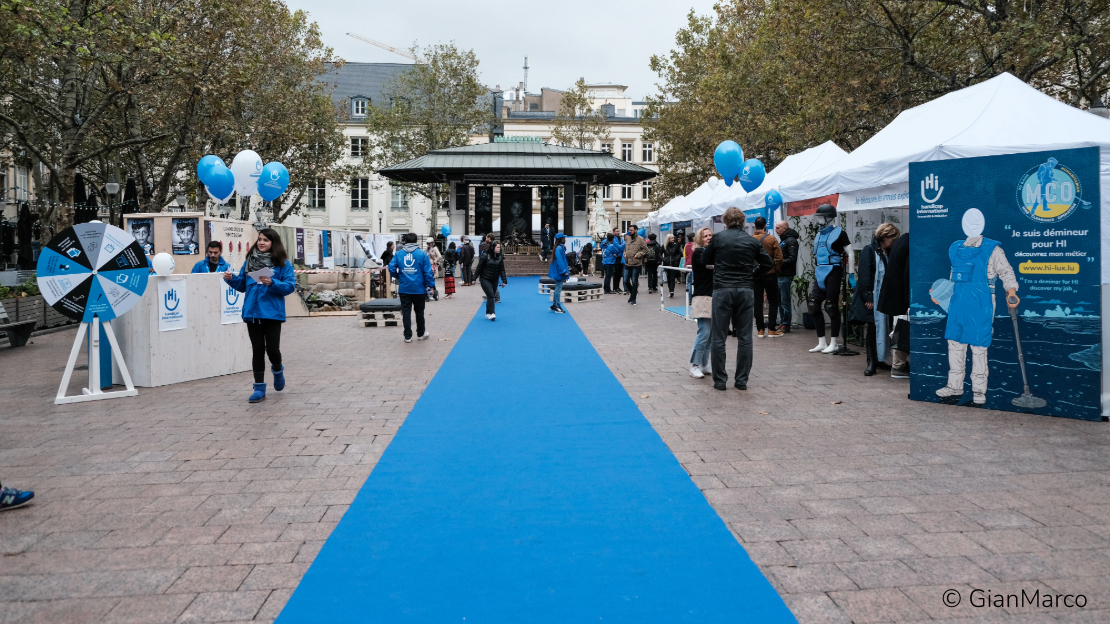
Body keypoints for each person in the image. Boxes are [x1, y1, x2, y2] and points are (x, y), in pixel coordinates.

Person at [931, 209, 1018, 405]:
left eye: (975, 221)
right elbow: (954, 279)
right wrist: (940, 296)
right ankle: (954, 387)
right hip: (958, 303)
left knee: (979, 347)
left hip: (982, 303)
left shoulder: (992, 249)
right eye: (968, 222)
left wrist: (1011, 291)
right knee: (954, 344)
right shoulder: (955, 248)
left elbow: (1006, 272)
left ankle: (979, 392)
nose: (971, 225)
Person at [702, 207, 774, 391]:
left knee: (719, 336)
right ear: (743, 221)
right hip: (745, 289)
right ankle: (741, 380)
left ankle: (720, 380)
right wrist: (752, 274)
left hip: (722, 289)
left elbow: (704, 259)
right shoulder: (751, 241)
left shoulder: (717, 239)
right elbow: (768, 263)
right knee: (744, 337)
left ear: (725, 221)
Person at [223, 228, 296, 403]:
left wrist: (272, 282)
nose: (261, 243)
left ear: (274, 243)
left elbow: (289, 286)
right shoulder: (250, 260)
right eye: (260, 239)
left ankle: (278, 370)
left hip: (272, 313)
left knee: (272, 349)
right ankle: (259, 388)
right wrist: (231, 279)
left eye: (266, 240)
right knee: (257, 350)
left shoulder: (282, 264)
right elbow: (242, 285)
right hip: (252, 312)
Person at [849, 223, 900, 376]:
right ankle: (871, 361)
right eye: (893, 238)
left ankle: (879, 359)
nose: (895, 241)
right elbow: (864, 275)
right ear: (885, 238)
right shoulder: (869, 250)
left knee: (885, 327)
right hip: (873, 296)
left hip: (884, 296)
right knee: (872, 328)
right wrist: (868, 297)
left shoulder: (888, 252)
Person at [809, 204, 852, 353]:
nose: (819, 219)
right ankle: (821, 341)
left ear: (829, 218)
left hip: (833, 271)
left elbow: (850, 253)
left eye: (821, 216)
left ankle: (834, 343)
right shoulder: (819, 234)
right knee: (813, 305)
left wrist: (851, 274)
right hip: (820, 269)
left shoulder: (840, 233)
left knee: (831, 306)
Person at [388, 232, 436, 342]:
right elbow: (428, 272)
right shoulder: (422, 254)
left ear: (405, 241)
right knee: (419, 312)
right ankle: (420, 334)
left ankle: (408, 336)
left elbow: (391, 267)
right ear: (416, 241)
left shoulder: (399, 254)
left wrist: (398, 276)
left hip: (404, 288)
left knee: (406, 312)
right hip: (419, 288)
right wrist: (431, 286)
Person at [878, 232, 911, 379]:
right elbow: (908, 273)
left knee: (900, 326)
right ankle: (898, 366)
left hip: (894, 293)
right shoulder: (911, 242)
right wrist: (910, 300)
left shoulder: (904, 238)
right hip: (901, 296)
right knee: (902, 328)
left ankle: (899, 365)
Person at [751, 217, 784, 338]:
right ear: (765, 225)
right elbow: (779, 258)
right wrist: (776, 270)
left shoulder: (750, 240)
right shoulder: (771, 239)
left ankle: (760, 329)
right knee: (773, 301)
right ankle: (771, 329)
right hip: (770, 273)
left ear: (755, 226)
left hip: (755, 275)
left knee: (757, 301)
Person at [688, 227, 714, 378]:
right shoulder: (699, 252)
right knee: (704, 332)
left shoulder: (710, 252)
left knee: (710, 334)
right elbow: (710, 266)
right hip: (702, 296)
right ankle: (695, 365)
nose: (709, 237)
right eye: (705, 236)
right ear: (699, 238)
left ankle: (704, 363)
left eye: (710, 235)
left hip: (712, 295)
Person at [775, 220, 800, 333]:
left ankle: (786, 323)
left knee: (784, 300)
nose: (776, 230)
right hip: (780, 274)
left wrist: (778, 262)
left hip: (785, 275)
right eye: (775, 228)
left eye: (778, 228)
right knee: (780, 300)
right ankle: (782, 323)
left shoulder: (791, 241)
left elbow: (792, 258)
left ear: (785, 228)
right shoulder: (784, 240)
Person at [476, 241, 508, 320]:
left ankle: (487, 313)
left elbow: (502, 270)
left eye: (500, 247)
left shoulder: (500, 257)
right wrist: (474, 278)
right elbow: (479, 268)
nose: (499, 249)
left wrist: (504, 280)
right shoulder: (485, 256)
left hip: (494, 279)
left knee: (490, 296)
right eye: (497, 247)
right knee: (491, 295)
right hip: (485, 278)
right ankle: (492, 313)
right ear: (493, 248)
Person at [623, 225, 647, 305]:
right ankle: (633, 293)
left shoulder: (640, 239)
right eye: (629, 230)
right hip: (628, 262)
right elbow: (626, 248)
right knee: (625, 281)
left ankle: (633, 298)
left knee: (634, 281)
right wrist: (625, 253)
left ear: (636, 230)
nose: (630, 231)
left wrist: (639, 255)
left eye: (631, 230)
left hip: (636, 263)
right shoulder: (628, 239)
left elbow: (645, 250)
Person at [548, 233, 569, 314]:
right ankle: (557, 306)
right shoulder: (559, 249)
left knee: (557, 288)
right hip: (560, 272)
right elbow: (559, 262)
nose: (565, 239)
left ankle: (554, 305)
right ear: (561, 239)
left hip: (558, 271)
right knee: (558, 289)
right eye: (564, 238)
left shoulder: (559, 248)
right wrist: (563, 272)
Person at [663, 233, 682, 297]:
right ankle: (670, 290)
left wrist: (676, 259)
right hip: (667, 264)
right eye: (672, 238)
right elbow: (659, 254)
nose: (673, 239)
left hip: (674, 264)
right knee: (669, 278)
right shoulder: (664, 246)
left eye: (673, 238)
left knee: (672, 278)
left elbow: (680, 253)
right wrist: (664, 259)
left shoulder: (676, 246)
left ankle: (672, 291)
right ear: (668, 239)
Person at [611, 227, 625, 293]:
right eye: (616, 231)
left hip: (621, 257)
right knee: (616, 273)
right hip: (616, 257)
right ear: (614, 232)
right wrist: (621, 247)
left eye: (618, 231)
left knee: (620, 273)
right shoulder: (614, 239)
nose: (618, 232)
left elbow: (622, 247)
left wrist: (621, 247)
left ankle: (618, 287)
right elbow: (618, 246)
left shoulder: (621, 239)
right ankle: (615, 287)